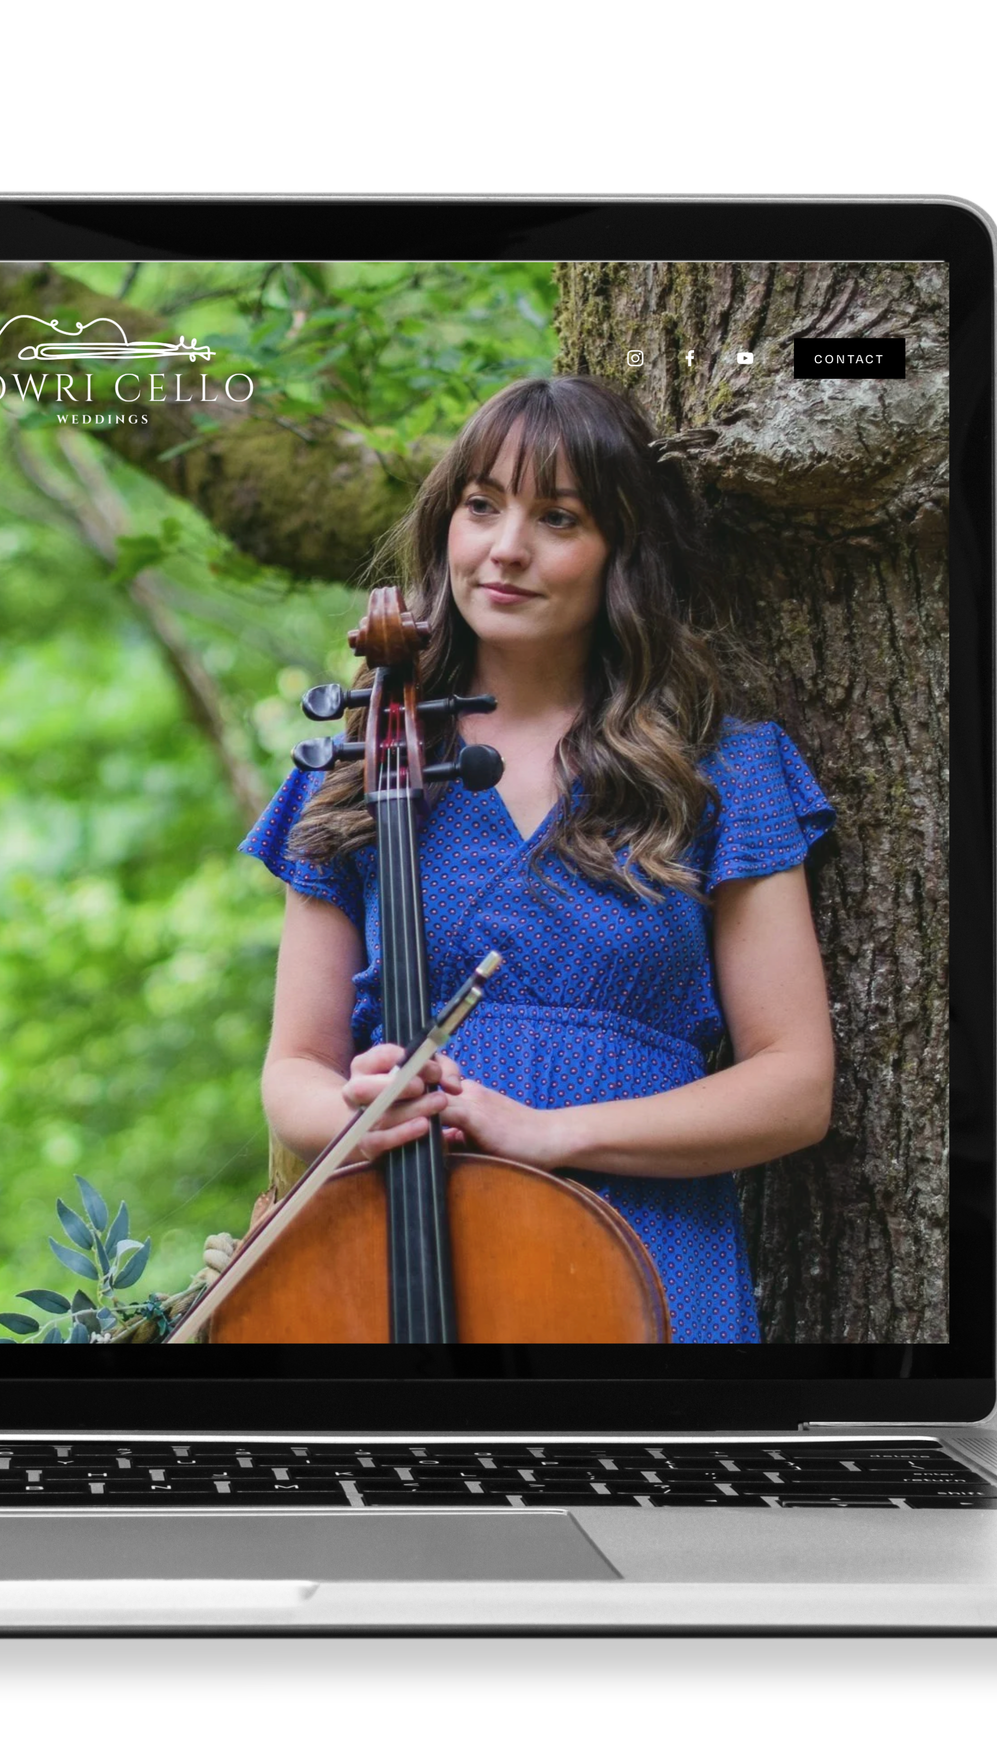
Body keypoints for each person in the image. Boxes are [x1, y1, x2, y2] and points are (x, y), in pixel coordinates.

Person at [242, 375, 835, 1343]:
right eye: (481, 506)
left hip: (642, 1251)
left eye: (558, 518)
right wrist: (353, 1110)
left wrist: (550, 1134)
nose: (506, 548)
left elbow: (794, 1085)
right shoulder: (358, 772)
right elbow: (294, 1071)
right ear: (446, 524)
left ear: (621, 556)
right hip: (390, 1248)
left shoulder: (718, 768)